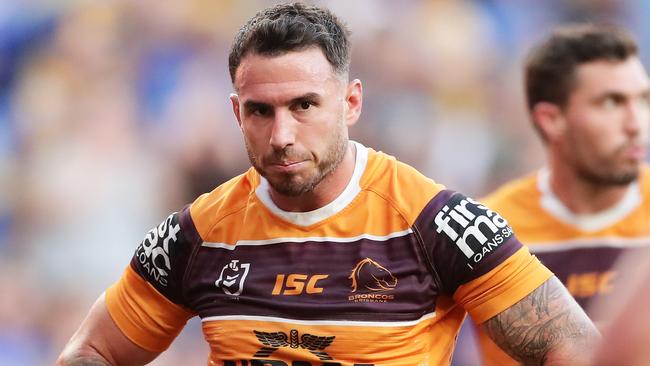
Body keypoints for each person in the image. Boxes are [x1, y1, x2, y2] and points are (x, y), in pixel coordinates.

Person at [56, 3, 599, 365]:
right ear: (235, 112)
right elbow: (92, 352)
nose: (282, 135)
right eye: (260, 111)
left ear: (351, 102)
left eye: (304, 106)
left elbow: (573, 347)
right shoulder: (197, 236)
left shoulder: (438, 223)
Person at [473, 24, 650, 366]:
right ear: (552, 120)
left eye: (643, 100)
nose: (636, 124)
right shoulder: (489, 231)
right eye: (612, 102)